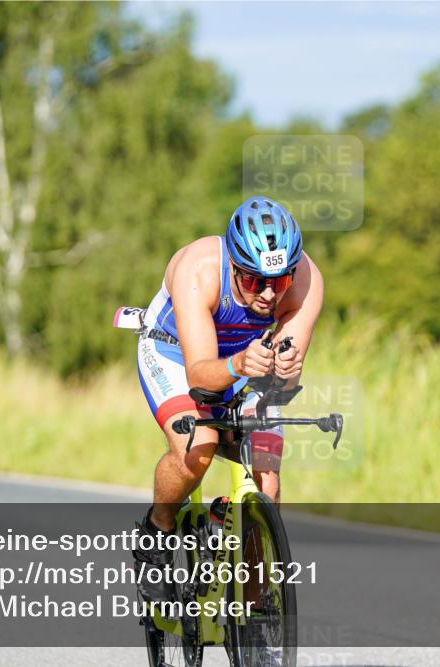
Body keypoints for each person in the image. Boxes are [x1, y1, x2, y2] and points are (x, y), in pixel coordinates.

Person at [131, 196, 323, 602]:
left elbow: (283, 378)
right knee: (199, 447)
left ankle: (255, 608)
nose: (270, 295)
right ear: (233, 266)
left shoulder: (306, 278)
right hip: (174, 354)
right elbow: (200, 372)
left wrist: (285, 373)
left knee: (266, 481)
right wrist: (237, 364)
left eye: (280, 281)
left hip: (245, 361)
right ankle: (157, 528)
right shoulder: (198, 270)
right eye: (255, 282)